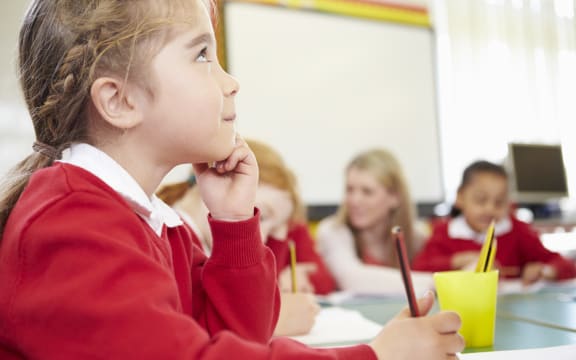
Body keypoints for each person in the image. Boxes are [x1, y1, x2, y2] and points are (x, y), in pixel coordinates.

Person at [0, 0, 464, 358]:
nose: (231, 82)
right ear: (119, 101)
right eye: (203, 55)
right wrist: (375, 355)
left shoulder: (158, 224)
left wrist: (235, 221)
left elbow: (238, 337)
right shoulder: (72, 223)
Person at [157, 138, 335, 336]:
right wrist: (274, 322)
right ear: (221, 184)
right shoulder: (173, 240)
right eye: (263, 216)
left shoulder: (199, 242)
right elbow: (180, 332)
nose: (264, 238)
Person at [412, 160, 576, 284]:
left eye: (499, 202)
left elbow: (566, 265)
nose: (490, 209)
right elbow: (418, 269)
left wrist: (546, 271)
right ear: (460, 197)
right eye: (480, 200)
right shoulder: (445, 232)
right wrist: (457, 261)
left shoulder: (517, 231)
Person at [316, 149, 434, 296]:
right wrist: (436, 282)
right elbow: (352, 279)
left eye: (367, 191)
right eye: (350, 189)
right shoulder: (332, 230)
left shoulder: (417, 235)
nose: (354, 200)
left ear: (395, 197)